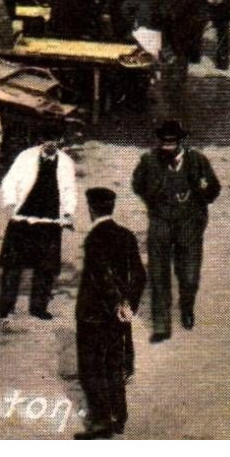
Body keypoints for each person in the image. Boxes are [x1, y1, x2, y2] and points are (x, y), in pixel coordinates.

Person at [131, 119, 221, 342]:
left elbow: (214, 188)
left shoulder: (197, 160)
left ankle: (187, 306)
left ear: (180, 142)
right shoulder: (149, 160)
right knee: (159, 274)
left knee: (189, 274)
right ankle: (161, 325)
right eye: (164, 143)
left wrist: (203, 191)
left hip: (189, 222)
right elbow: (137, 184)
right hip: (160, 222)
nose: (167, 148)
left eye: (171, 143)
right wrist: (152, 199)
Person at [73, 187, 147, 440]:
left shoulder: (94, 238)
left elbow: (102, 276)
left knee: (92, 368)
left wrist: (116, 302)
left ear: (91, 209)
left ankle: (102, 424)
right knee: (114, 365)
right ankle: (119, 418)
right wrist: (128, 305)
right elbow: (139, 275)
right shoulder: (126, 235)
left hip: (94, 316)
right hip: (118, 317)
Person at [0, 123, 77, 320]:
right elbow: (10, 181)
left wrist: (68, 212)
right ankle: (4, 307)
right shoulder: (26, 157)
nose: (51, 145)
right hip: (24, 217)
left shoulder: (66, 163)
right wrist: (11, 204)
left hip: (50, 220)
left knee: (46, 267)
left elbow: (69, 189)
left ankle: (38, 307)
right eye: (47, 141)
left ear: (60, 142)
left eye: (56, 141)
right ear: (41, 141)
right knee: (13, 266)